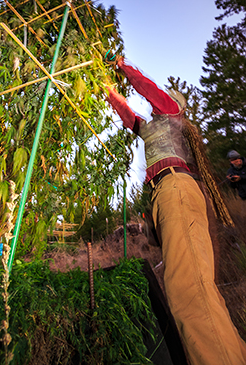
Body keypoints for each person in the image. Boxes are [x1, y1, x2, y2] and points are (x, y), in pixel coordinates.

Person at [105, 56, 246, 365]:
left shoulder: (171, 114)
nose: (157, 104)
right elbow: (130, 117)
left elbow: (148, 89)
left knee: (188, 289)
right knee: (196, 286)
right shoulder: (152, 128)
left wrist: (123, 67)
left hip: (177, 190)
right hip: (165, 194)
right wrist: (109, 94)